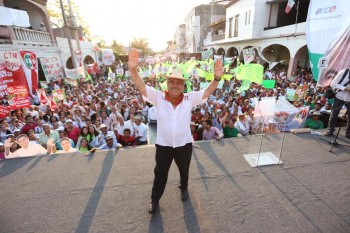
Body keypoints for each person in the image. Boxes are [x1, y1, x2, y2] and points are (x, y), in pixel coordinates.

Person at [128, 48, 223, 214]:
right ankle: (154, 199)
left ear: (183, 85)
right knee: (160, 174)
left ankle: (184, 188)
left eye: (179, 82)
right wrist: (132, 69)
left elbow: (207, 91)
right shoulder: (158, 97)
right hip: (163, 145)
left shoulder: (189, 99)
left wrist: (216, 78)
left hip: (184, 144)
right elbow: (141, 87)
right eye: (172, 82)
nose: (175, 85)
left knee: (184, 170)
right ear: (167, 83)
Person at [323, 68, 350, 138]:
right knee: (334, 114)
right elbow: (332, 84)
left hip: (349, 99)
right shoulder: (344, 72)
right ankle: (330, 130)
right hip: (339, 97)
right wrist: (345, 88)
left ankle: (348, 133)